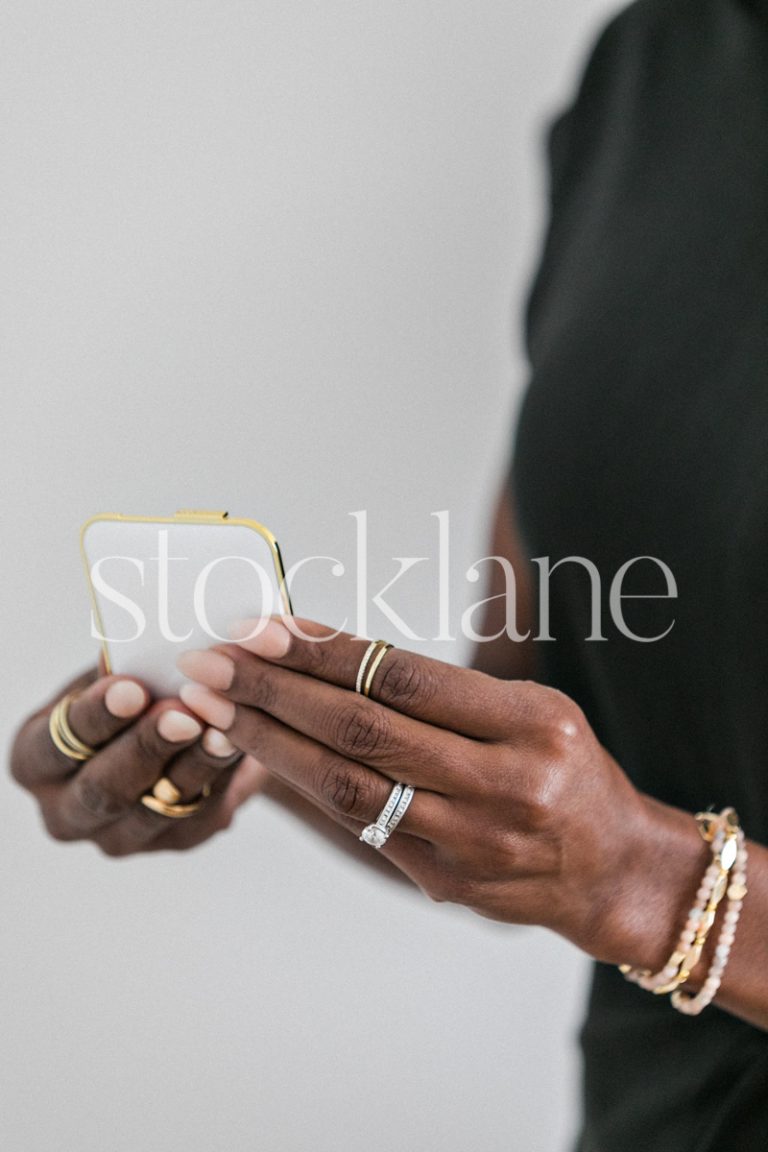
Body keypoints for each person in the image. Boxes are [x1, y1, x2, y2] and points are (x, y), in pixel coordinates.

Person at [10, 0, 768, 1147]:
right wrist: (260, 734)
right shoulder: (654, 73)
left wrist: (652, 886)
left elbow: (613, 854)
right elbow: (548, 759)